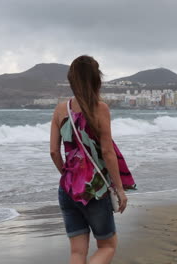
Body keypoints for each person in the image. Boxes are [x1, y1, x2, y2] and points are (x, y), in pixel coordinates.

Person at [50, 55, 136, 264]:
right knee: (107, 246)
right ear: (96, 79)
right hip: (95, 190)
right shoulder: (100, 108)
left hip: (67, 189)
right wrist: (120, 189)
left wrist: (67, 174)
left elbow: (53, 152)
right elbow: (107, 152)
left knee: (77, 253)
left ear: (72, 80)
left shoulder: (61, 109)